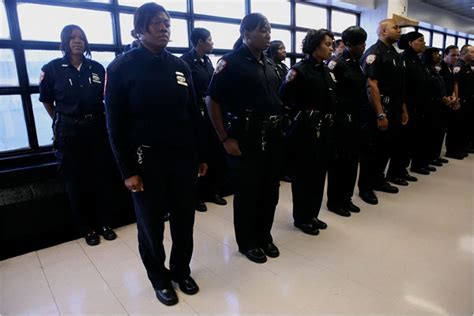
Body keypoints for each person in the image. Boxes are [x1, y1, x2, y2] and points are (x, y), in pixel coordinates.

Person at [105, 3, 207, 306]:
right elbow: (115, 125)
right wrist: (127, 171)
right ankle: (159, 277)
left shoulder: (179, 66)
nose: (164, 28)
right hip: (144, 160)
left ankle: (181, 270)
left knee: (184, 219)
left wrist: (200, 155)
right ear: (140, 29)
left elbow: (193, 114)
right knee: (151, 224)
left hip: (182, 158)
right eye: (157, 23)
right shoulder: (121, 67)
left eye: (167, 23)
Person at [206, 13, 283, 264]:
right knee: (249, 191)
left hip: (271, 136)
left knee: (270, 190)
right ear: (246, 33)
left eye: (269, 29)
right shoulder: (230, 62)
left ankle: (264, 236)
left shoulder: (269, 63)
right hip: (245, 135)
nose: (268, 34)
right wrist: (224, 138)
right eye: (262, 29)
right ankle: (247, 241)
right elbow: (212, 99)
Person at [39, 24, 117, 246]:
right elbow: (46, 101)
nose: (77, 41)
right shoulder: (52, 69)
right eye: (72, 37)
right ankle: (87, 228)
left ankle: (105, 223)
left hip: (97, 129)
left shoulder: (97, 68)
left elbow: (107, 99)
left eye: (81, 37)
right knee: (76, 181)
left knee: (101, 178)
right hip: (69, 133)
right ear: (64, 42)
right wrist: (62, 120)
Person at [280, 28, 335, 234]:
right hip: (304, 130)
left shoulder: (325, 70)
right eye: (327, 44)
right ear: (314, 45)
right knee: (304, 176)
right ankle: (301, 218)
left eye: (331, 44)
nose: (331, 48)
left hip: (324, 129)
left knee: (319, 174)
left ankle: (313, 214)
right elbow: (283, 98)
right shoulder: (299, 70)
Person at [360, 19, 409, 203]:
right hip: (379, 109)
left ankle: (378, 180)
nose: (399, 31)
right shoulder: (374, 53)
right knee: (371, 150)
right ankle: (365, 187)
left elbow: (399, 86)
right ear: (382, 31)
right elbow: (372, 85)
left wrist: (403, 109)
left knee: (386, 148)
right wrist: (380, 114)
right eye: (395, 28)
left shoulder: (394, 53)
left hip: (395, 108)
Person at [181, 27, 227, 212]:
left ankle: (212, 191)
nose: (212, 43)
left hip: (211, 115)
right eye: (209, 39)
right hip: (195, 117)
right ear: (200, 42)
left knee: (213, 154)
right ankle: (196, 196)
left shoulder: (208, 61)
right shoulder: (185, 62)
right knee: (197, 157)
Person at [326, 26, 367, 216]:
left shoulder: (356, 62)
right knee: (339, 164)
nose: (363, 47)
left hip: (357, 120)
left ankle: (346, 197)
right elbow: (332, 94)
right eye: (360, 44)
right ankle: (335, 201)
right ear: (349, 45)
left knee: (352, 161)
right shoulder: (337, 64)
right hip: (342, 121)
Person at [397, 31, 433, 177]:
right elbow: (402, 86)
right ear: (410, 43)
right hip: (407, 106)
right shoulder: (403, 59)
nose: (424, 43)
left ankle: (404, 168)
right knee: (403, 142)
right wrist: (403, 107)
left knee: (412, 140)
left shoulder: (417, 59)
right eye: (420, 40)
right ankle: (396, 171)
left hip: (419, 106)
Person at [422, 47, 456, 166]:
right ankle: (427, 159)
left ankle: (434, 156)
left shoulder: (436, 69)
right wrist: (442, 97)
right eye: (436, 54)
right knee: (430, 133)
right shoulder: (428, 69)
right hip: (432, 105)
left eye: (439, 53)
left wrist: (450, 96)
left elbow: (444, 86)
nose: (438, 56)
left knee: (439, 131)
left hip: (442, 104)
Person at [439, 45, 463, 159]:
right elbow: (438, 86)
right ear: (445, 55)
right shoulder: (440, 68)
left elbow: (454, 84)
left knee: (443, 130)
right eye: (453, 55)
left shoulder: (451, 67)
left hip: (450, 101)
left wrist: (455, 97)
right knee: (436, 131)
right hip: (440, 102)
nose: (456, 57)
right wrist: (445, 97)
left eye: (458, 55)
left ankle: (436, 156)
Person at [453, 44, 474, 155]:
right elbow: (455, 84)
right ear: (464, 53)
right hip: (461, 101)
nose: (473, 54)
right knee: (458, 127)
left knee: (465, 126)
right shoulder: (458, 66)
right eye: (472, 52)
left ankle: (463, 147)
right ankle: (455, 149)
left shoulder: (467, 66)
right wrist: (457, 100)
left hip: (469, 101)